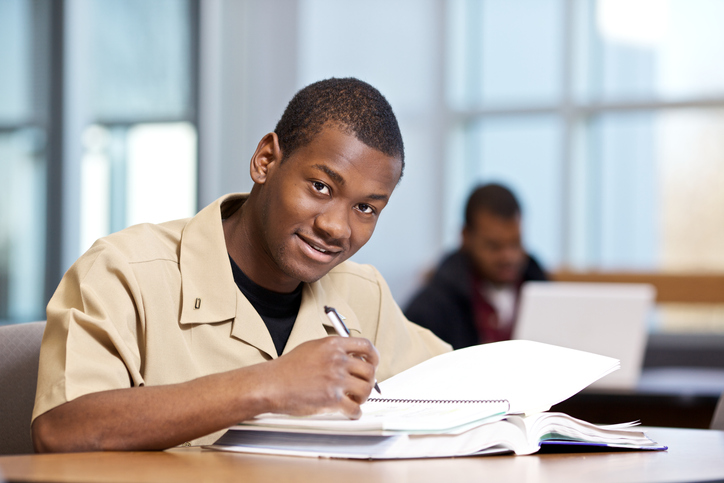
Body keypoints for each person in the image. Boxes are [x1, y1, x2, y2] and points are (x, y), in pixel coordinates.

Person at [31, 78, 451, 453]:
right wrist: (270, 384)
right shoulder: (126, 271)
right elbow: (61, 430)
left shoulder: (364, 293)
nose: (336, 227)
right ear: (266, 160)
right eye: (320, 187)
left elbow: (464, 390)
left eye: (365, 208)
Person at [404, 183, 547, 350]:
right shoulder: (429, 310)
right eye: (494, 246)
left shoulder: (545, 291)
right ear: (465, 237)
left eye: (515, 244)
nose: (508, 257)